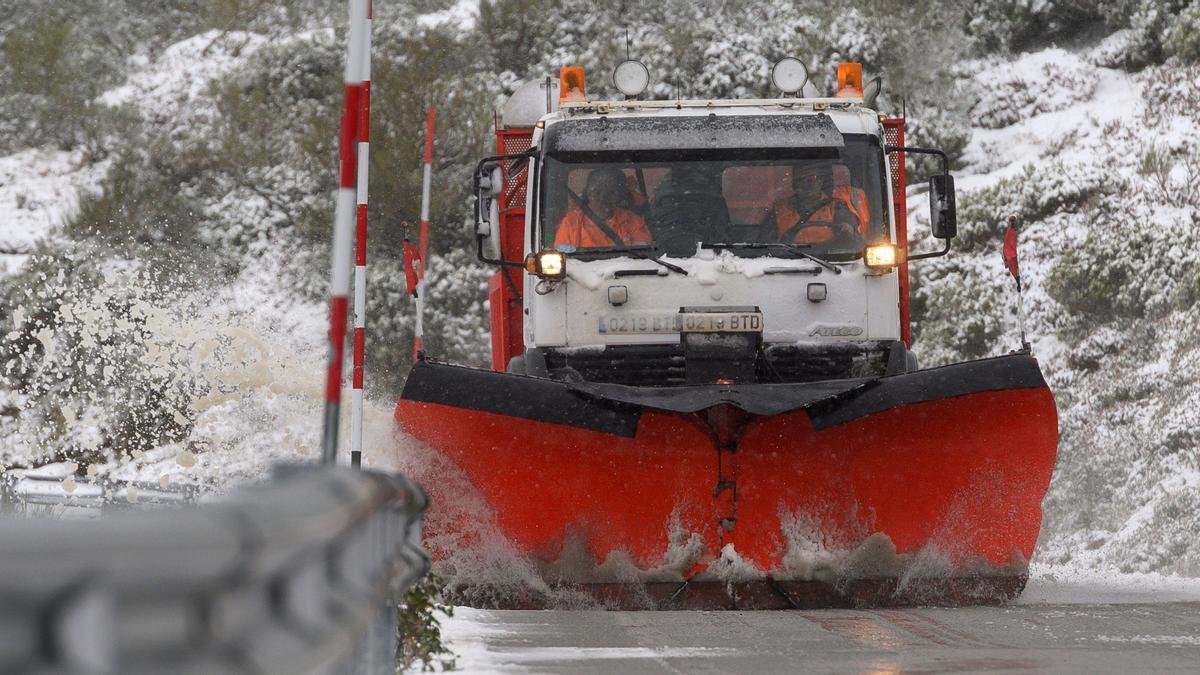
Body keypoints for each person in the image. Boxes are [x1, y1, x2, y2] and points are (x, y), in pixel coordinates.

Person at [768, 162, 870, 244]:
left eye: (811, 179)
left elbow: (854, 242)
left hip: (830, 262)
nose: (805, 184)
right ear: (794, 183)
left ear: (821, 181)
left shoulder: (837, 207)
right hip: (786, 263)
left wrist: (848, 232)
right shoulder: (779, 210)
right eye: (800, 179)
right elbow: (762, 244)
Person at [554, 168, 652, 249]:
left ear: (619, 195)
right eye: (597, 191)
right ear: (587, 192)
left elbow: (643, 256)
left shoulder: (633, 221)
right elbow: (565, 261)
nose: (602, 197)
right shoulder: (571, 222)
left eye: (609, 192)